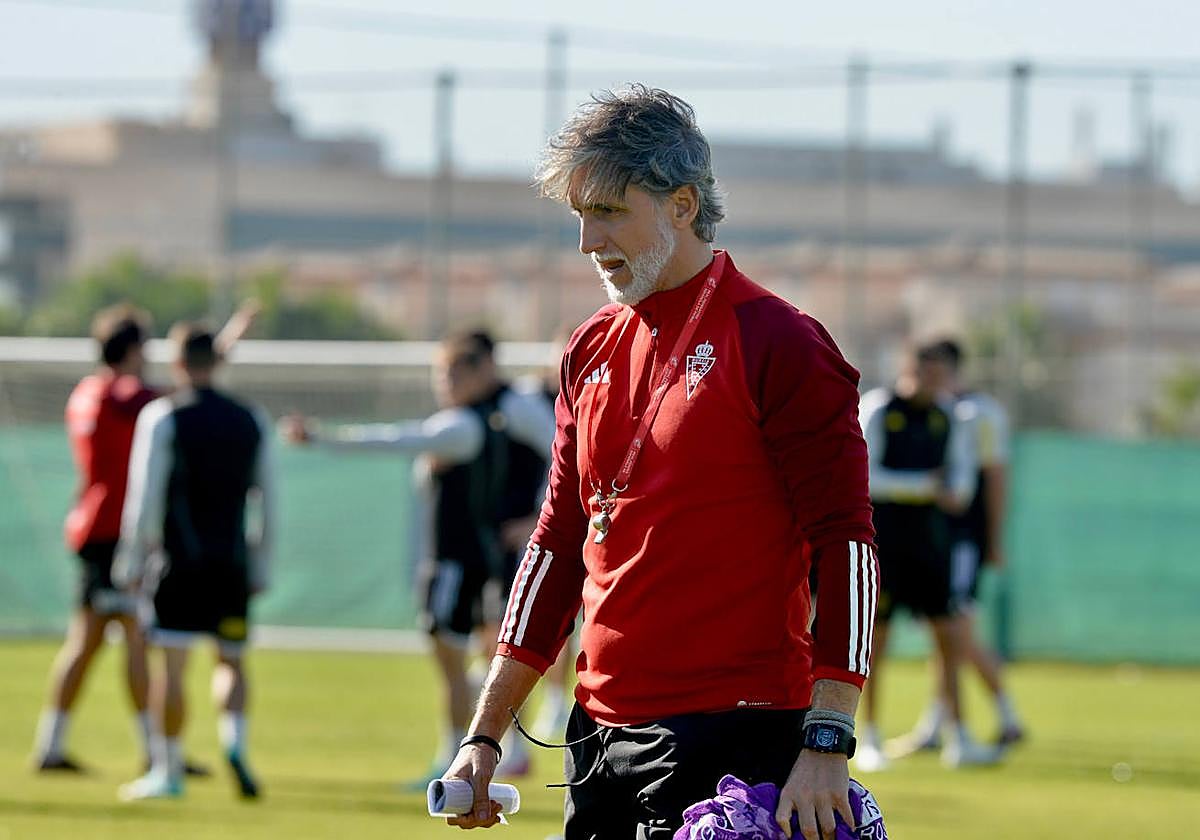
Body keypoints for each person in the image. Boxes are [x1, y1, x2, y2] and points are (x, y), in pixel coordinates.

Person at [438, 85, 878, 840]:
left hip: (736, 736)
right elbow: (554, 547)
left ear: (682, 205)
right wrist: (484, 736)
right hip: (595, 735)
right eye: (579, 214)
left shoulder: (781, 342)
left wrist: (828, 736)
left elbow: (848, 544)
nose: (587, 240)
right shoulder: (589, 348)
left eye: (608, 210)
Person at [284, 329, 556, 782]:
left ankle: (459, 757)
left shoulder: (478, 421)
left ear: (480, 370)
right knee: (480, 659)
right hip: (483, 558)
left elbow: (393, 439)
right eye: (439, 374)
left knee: (467, 661)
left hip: (467, 561)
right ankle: (496, 748)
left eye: (451, 373)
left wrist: (318, 436)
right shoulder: (475, 422)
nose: (443, 383)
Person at [33, 302, 255, 775]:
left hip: (91, 526)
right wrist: (222, 347)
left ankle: (58, 743)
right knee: (134, 643)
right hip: (116, 534)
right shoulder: (127, 397)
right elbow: (186, 395)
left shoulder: (85, 393)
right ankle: (155, 754)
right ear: (133, 349)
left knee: (89, 641)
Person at [114, 322, 277, 800]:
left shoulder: (163, 416)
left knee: (173, 667)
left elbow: (142, 499)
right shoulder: (251, 418)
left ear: (177, 363)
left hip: (178, 566)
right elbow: (270, 500)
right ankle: (235, 746)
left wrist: (129, 561)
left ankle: (167, 772)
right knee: (231, 661)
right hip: (232, 566)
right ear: (218, 361)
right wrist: (261, 562)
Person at [853, 340, 998, 771]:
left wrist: (955, 491)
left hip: (931, 541)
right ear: (906, 368)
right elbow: (866, 475)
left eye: (938, 373)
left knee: (949, 636)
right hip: (884, 541)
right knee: (874, 641)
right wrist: (924, 487)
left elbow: (961, 473)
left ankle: (960, 737)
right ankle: (869, 737)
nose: (931, 380)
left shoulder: (949, 416)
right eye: (923, 371)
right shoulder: (878, 409)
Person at [886, 339, 1024, 755]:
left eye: (937, 367)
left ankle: (1006, 715)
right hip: (929, 538)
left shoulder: (976, 413)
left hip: (960, 538)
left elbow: (995, 476)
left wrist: (993, 539)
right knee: (941, 634)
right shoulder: (914, 411)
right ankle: (938, 725)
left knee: (956, 629)